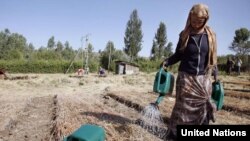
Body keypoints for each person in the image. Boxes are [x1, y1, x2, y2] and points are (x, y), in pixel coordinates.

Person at [161, 4, 217, 140]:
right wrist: (167, 62)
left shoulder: (210, 35)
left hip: (203, 79)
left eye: (200, 21)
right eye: (193, 20)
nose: (196, 24)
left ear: (206, 20)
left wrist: (216, 73)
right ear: (189, 17)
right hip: (185, 79)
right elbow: (178, 55)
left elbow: (213, 57)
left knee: (204, 107)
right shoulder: (184, 34)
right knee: (182, 110)